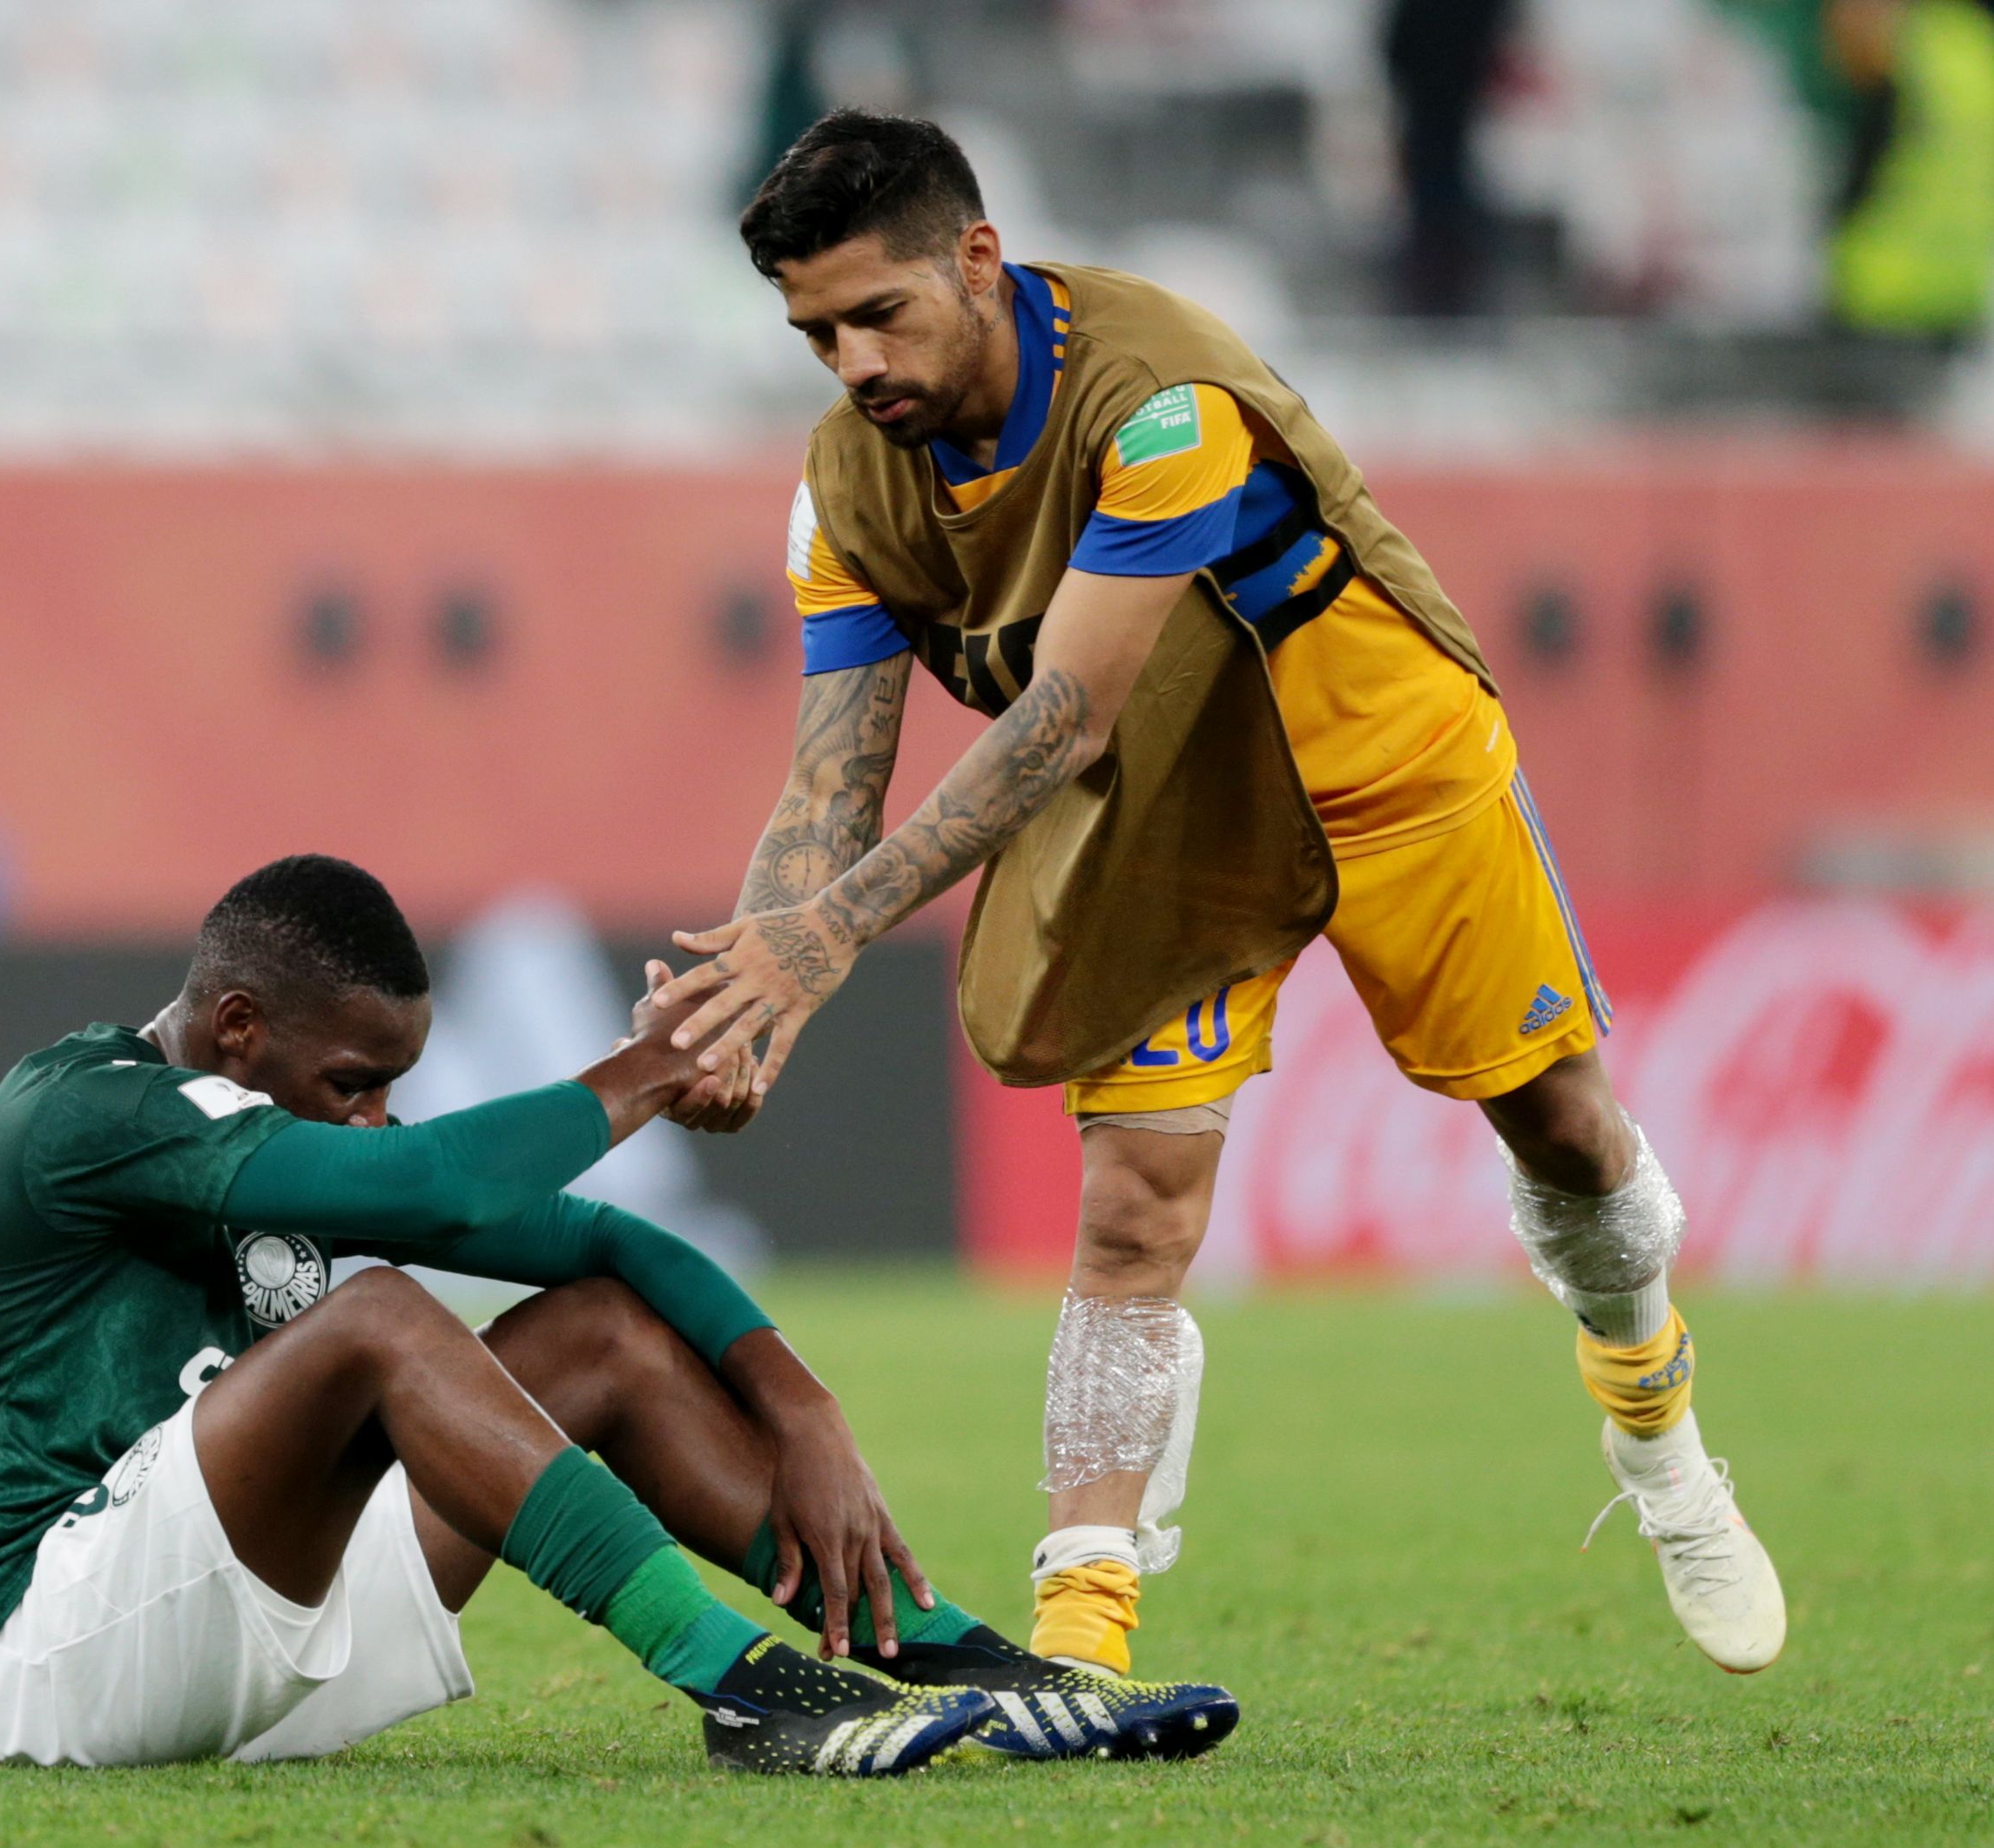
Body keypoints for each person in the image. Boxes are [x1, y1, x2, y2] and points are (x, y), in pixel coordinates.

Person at [650, 112, 1784, 1683]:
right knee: (1130, 1212)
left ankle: (1657, 1428)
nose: (850, 361)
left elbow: (1061, 719)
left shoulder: (1162, 399)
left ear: (979, 258)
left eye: (877, 314)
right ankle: (1079, 1652)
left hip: (1382, 770)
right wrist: (745, 977)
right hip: (1174, 822)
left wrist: (831, 930)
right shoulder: (846, 485)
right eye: (815, 332)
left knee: (1568, 1129)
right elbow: (830, 783)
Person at [0, 855, 1238, 1775]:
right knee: (380, 1318)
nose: (373, 1114)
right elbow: (438, 1188)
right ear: (238, 1024)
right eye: (353, 1081)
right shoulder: (81, 1115)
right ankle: (742, 1685)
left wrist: (800, 1401)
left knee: (597, 1329)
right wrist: (653, 1066)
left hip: (224, 1616)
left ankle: (953, 1657)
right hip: (40, 1652)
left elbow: (598, 1237)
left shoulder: (252, 1118)